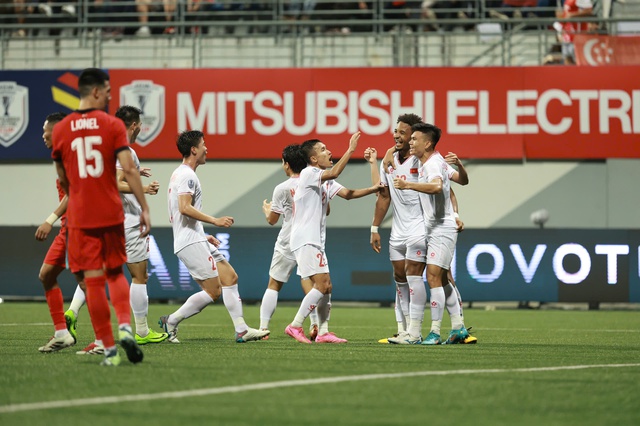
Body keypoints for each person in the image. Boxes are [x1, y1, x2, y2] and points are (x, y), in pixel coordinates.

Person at [51, 67, 150, 366]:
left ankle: (109, 350)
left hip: (81, 215)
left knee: (93, 282)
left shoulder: (61, 129)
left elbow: (63, 178)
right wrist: (145, 207)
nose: (109, 95)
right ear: (95, 91)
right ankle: (124, 326)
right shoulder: (112, 125)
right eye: (107, 90)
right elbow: (129, 170)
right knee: (115, 273)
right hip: (110, 210)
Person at [159, 130, 269, 343]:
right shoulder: (187, 175)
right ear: (194, 149)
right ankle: (171, 321)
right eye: (203, 144)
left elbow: (183, 211)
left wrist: (203, 233)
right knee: (213, 291)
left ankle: (242, 329)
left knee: (230, 277)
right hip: (189, 242)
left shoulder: (181, 173)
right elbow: (184, 208)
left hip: (195, 237)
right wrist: (215, 220)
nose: (206, 148)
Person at [285, 132, 380, 344]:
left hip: (315, 240)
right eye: (322, 150)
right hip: (305, 239)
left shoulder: (324, 179)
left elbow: (348, 194)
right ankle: (295, 325)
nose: (328, 152)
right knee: (321, 284)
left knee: (327, 286)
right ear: (313, 159)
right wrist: (351, 149)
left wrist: (374, 188)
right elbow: (335, 172)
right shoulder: (309, 173)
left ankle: (324, 332)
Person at [392, 122, 471, 345]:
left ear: (427, 144)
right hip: (433, 227)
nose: (411, 141)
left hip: (441, 227)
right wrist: (461, 166)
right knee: (443, 278)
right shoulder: (435, 161)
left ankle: (435, 332)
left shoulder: (433, 165)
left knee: (434, 277)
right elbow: (462, 181)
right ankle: (458, 328)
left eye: (415, 139)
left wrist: (408, 186)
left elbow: (436, 187)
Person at [365, 113, 427, 345]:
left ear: (414, 136)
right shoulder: (388, 160)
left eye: (402, 132)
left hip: (421, 226)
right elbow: (383, 196)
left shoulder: (423, 160)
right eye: (396, 131)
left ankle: (417, 331)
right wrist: (374, 227)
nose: (397, 136)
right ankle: (405, 330)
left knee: (415, 276)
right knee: (400, 277)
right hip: (398, 230)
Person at [114, 105, 169, 345]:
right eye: (140, 126)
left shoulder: (109, 148)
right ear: (135, 125)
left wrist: (136, 172)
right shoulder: (125, 150)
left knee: (103, 274)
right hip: (129, 221)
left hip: (113, 221)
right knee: (139, 276)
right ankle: (143, 332)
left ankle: (73, 312)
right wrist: (143, 189)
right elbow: (115, 183)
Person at [259, 144, 319, 340]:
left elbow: (272, 220)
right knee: (311, 283)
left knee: (274, 284)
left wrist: (267, 209)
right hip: (308, 238)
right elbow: (325, 211)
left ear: (287, 164)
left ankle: (263, 329)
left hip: (287, 238)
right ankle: (314, 324)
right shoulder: (313, 183)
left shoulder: (282, 188)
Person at [35, 111, 84, 353]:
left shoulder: (70, 155)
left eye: (46, 131)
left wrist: (49, 219)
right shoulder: (63, 154)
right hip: (68, 227)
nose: (43, 136)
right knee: (46, 275)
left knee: (86, 282)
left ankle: (106, 339)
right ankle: (62, 333)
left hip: (77, 226)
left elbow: (73, 192)